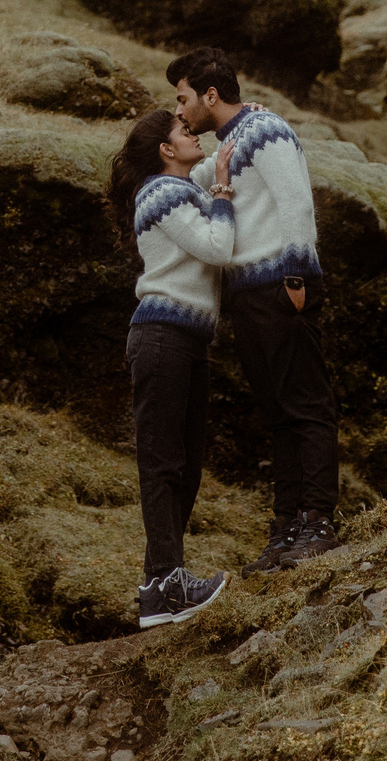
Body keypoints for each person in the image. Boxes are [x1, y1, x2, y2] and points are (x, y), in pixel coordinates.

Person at [168, 46, 341, 571]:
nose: (180, 112)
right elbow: (190, 185)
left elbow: (295, 201)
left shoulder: (266, 131)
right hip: (246, 294)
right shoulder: (230, 145)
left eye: (184, 99)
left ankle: (320, 523)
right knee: (276, 413)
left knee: (306, 405)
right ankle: (287, 526)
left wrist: (296, 275)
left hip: (280, 287)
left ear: (211, 95)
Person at [108, 106, 237, 627]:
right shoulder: (162, 193)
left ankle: (159, 591)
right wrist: (225, 196)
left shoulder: (179, 187)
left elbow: (203, 172)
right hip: (161, 337)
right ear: (166, 149)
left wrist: (239, 129)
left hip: (185, 339)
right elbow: (216, 247)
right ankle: (165, 582)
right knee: (163, 464)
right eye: (187, 131)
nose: (195, 134)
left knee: (183, 468)